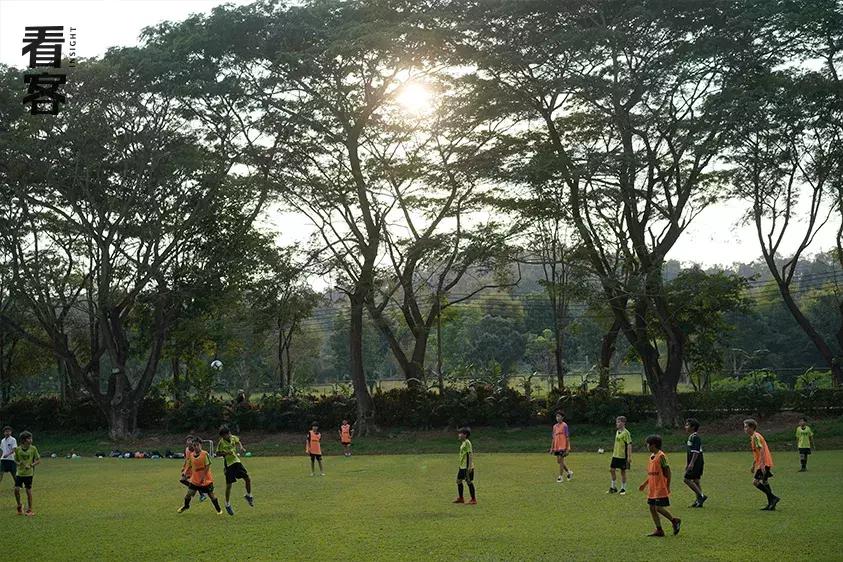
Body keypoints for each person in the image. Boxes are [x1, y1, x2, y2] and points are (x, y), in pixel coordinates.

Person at [638, 434, 681, 537]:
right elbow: (652, 473)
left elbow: (667, 471)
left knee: (658, 508)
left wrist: (667, 485)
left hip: (660, 487)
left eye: (647, 444)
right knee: (652, 508)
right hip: (653, 488)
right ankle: (659, 530)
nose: (647, 447)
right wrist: (644, 484)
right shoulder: (652, 456)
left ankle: (674, 520)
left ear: (653, 445)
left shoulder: (661, 456)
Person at [177, 438, 223, 515]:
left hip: (206, 480)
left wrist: (202, 477)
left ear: (200, 445)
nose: (196, 447)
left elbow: (207, 466)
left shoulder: (205, 454)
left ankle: (219, 510)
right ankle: (186, 506)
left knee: (211, 495)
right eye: (194, 445)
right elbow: (189, 465)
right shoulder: (191, 455)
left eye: (197, 445)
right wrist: (185, 472)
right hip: (195, 480)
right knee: (189, 494)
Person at [744, 419, 780, 511]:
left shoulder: (756, 437)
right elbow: (757, 453)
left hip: (764, 463)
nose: (744, 429)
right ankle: (771, 504)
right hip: (763, 462)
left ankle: (773, 498)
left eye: (746, 426)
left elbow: (762, 450)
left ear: (751, 427)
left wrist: (763, 464)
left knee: (755, 482)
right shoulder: (754, 437)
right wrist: (753, 464)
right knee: (765, 482)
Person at [217, 425, 254, 515]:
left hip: (237, 461)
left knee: (247, 478)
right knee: (229, 485)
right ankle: (227, 504)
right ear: (222, 436)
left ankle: (248, 496)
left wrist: (241, 447)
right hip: (229, 465)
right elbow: (217, 453)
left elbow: (238, 441)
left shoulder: (233, 438)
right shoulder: (221, 443)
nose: (229, 435)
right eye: (227, 434)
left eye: (229, 433)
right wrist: (225, 453)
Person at [13, 430, 40, 516]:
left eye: (31, 438)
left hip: (29, 474)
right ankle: (19, 506)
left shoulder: (33, 448)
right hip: (19, 473)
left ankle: (30, 509)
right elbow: (15, 460)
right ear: (24, 440)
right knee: (16, 490)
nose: (31, 440)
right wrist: (18, 463)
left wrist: (31, 465)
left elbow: (38, 460)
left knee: (28, 491)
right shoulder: (18, 449)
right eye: (29, 438)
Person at [683, 418, 707, 507]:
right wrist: (688, 463)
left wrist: (692, 463)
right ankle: (699, 501)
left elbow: (696, 451)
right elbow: (690, 452)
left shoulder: (695, 437)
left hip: (697, 461)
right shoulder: (691, 436)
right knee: (696, 481)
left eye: (687, 425)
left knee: (686, 479)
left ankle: (701, 496)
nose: (685, 427)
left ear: (693, 427)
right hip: (696, 461)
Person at [608, 416, 632, 495]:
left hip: (622, 456)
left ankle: (623, 488)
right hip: (615, 455)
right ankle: (613, 487)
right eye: (616, 422)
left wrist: (629, 456)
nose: (617, 424)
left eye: (618, 422)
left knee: (622, 472)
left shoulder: (626, 433)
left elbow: (629, 444)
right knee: (612, 470)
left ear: (623, 423)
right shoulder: (617, 432)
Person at [453, 427, 476, 505]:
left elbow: (470, 454)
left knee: (469, 482)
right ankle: (461, 498)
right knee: (458, 481)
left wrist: (469, 466)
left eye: (460, 433)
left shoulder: (467, 442)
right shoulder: (463, 443)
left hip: (466, 467)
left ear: (465, 435)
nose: (459, 435)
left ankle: (473, 499)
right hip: (462, 466)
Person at [180, 435, 207, 502]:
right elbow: (186, 459)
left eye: (190, 440)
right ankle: (199, 491)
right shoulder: (186, 449)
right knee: (183, 480)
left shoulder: (194, 450)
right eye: (187, 440)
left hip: (193, 468)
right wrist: (184, 467)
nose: (189, 442)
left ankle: (202, 494)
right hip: (187, 468)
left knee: (194, 482)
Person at [549, 411, 573, 482]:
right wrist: (552, 448)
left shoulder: (565, 425)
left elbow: (567, 437)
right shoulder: (554, 426)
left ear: (562, 417)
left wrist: (568, 447)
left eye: (559, 416)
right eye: (557, 416)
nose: (558, 418)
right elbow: (553, 438)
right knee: (559, 461)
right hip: (557, 446)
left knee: (561, 461)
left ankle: (560, 477)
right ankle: (569, 472)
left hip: (563, 446)